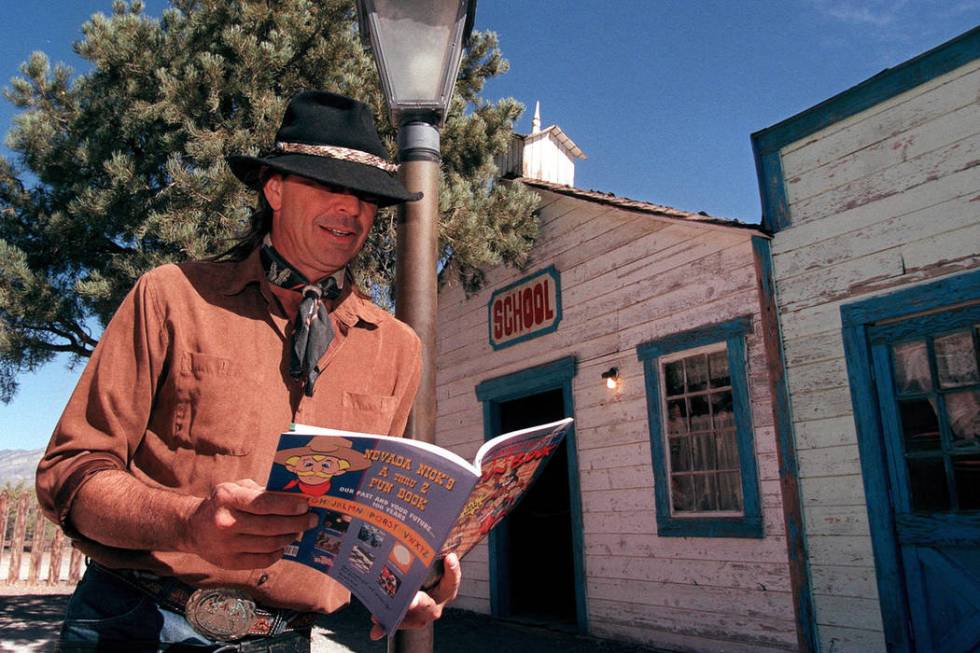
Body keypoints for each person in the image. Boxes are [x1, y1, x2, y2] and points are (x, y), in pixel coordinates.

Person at [35, 90, 461, 651]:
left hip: (281, 640)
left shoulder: (397, 347)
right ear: (274, 188)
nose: (352, 210)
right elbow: (71, 474)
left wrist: (400, 581)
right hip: (135, 623)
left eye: (366, 197)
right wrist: (187, 523)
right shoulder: (171, 296)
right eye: (329, 186)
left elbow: (357, 519)